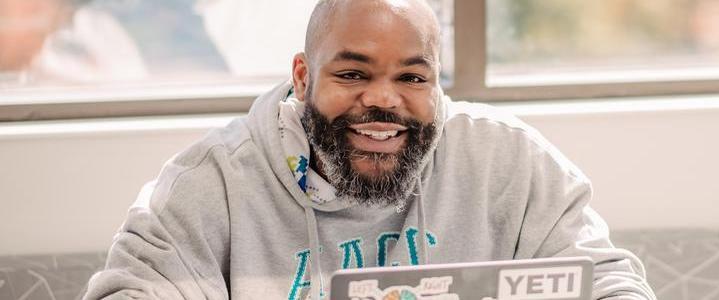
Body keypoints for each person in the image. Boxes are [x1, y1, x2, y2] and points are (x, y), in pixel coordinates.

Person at [83, 0, 655, 299]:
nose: (384, 102)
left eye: (411, 78)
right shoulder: (211, 184)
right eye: (354, 73)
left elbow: (608, 281)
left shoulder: (513, 165)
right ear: (303, 77)